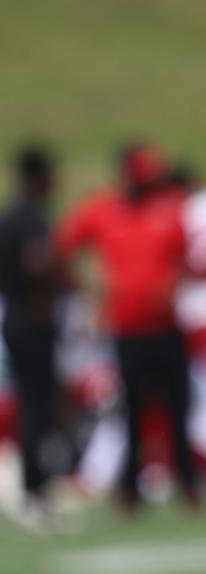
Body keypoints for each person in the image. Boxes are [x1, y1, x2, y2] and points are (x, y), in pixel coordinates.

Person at [55, 143, 199, 508]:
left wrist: (172, 285)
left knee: (179, 409)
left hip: (166, 326)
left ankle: (189, 486)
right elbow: (64, 244)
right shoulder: (103, 211)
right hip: (126, 329)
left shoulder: (169, 208)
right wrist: (88, 287)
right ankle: (129, 490)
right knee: (132, 412)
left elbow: (185, 258)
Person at [0, 146, 68, 525]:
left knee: (34, 404)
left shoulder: (10, 216)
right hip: (32, 319)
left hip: (15, 316)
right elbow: (37, 262)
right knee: (37, 406)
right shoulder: (31, 218)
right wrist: (64, 277)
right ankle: (34, 490)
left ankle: (37, 488)